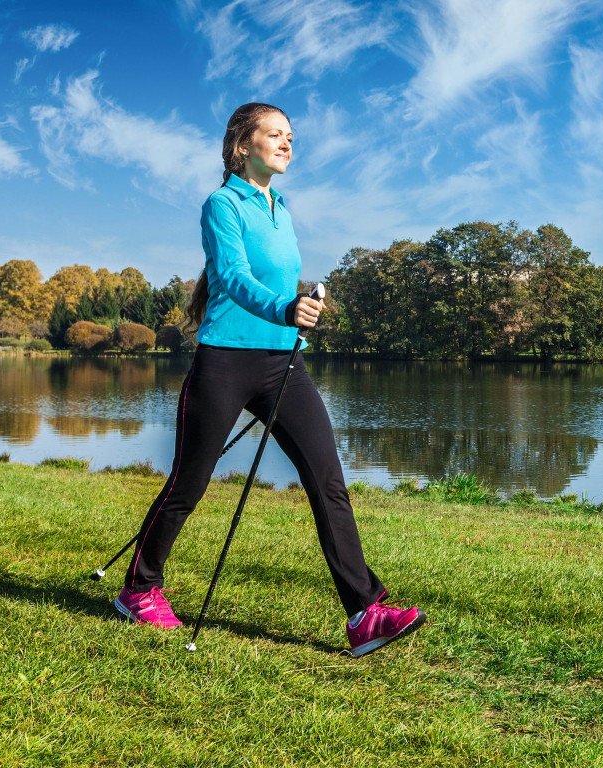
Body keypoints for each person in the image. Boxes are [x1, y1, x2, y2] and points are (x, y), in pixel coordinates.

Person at [113, 102, 424, 658]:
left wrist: (302, 310)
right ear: (242, 145)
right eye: (275, 134)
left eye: (290, 136)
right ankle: (139, 588)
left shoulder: (281, 206)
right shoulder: (222, 204)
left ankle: (364, 613)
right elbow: (231, 277)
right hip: (225, 362)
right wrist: (285, 307)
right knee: (188, 485)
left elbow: (281, 283)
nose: (287, 144)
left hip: (284, 363)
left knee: (327, 480)